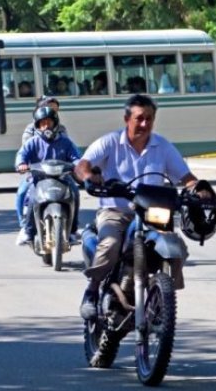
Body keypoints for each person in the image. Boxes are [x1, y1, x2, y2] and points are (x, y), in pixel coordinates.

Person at [74, 94, 209, 321]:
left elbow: (185, 176)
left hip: (151, 212)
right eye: (139, 119)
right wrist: (88, 177)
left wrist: (198, 190)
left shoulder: (162, 146)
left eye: (149, 119)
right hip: (116, 211)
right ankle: (93, 290)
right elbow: (83, 165)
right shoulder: (110, 142)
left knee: (176, 248)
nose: (144, 124)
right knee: (111, 243)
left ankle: (162, 298)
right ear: (127, 119)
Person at [14, 106, 82, 246]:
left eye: (49, 122)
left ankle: (72, 231)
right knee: (32, 198)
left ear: (55, 123)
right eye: (42, 123)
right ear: (37, 125)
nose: (46, 126)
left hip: (62, 179)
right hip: (39, 180)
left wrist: (77, 164)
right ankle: (28, 230)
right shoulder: (33, 142)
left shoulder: (65, 142)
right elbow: (22, 155)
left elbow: (76, 157)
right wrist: (21, 164)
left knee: (74, 194)